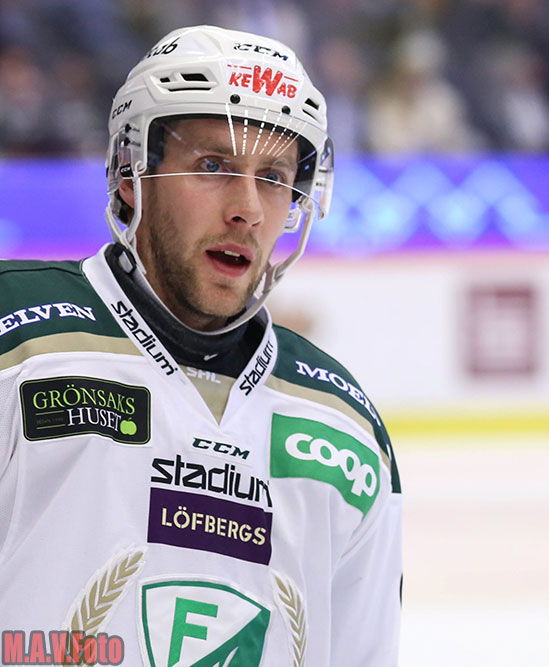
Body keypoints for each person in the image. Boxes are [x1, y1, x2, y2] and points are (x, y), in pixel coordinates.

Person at [0, 26, 401, 665]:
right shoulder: (18, 341)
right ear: (131, 175)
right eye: (214, 167)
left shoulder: (343, 425)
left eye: (274, 178)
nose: (248, 210)